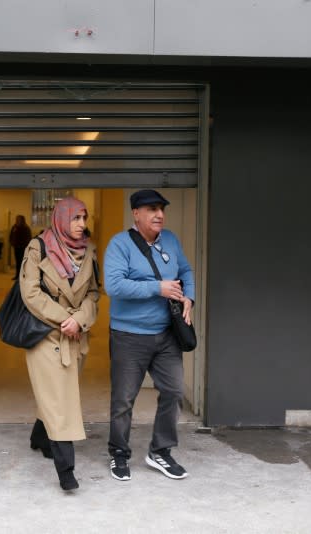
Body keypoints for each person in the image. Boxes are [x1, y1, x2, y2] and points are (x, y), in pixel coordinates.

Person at [104, 189, 195, 482]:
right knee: (124, 400)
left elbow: (186, 270)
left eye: (161, 209)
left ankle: (161, 451)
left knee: (174, 390)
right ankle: (119, 452)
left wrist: (188, 298)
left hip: (166, 333)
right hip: (129, 335)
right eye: (152, 209)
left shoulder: (169, 239)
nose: (159, 215)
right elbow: (114, 286)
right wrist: (158, 287)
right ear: (136, 214)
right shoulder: (119, 245)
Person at [20, 197, 100, 491]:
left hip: (76, 334)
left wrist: (79, 319)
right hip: (46, 334)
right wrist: (65, 318)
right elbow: (30, 294)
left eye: (84, 218)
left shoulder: (88, 250)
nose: (81, 225)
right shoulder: (37, 248)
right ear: (61, 218)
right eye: (75, 218)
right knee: (61, 401)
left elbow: (93, 293)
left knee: (55, 393)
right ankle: (66, 470)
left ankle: (39, 437)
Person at [9, 214, 32, 280]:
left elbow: (28, 238)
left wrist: (26, 246)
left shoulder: (26, 228)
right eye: (17, 219)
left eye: (18, 219)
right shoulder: (14, 227)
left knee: (23, 262)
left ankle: (23, 276)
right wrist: (12, 242)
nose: (17, 220)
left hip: (23, 248)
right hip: (16, 247)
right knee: (17, 262)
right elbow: (11, 236)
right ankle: (17, 275)